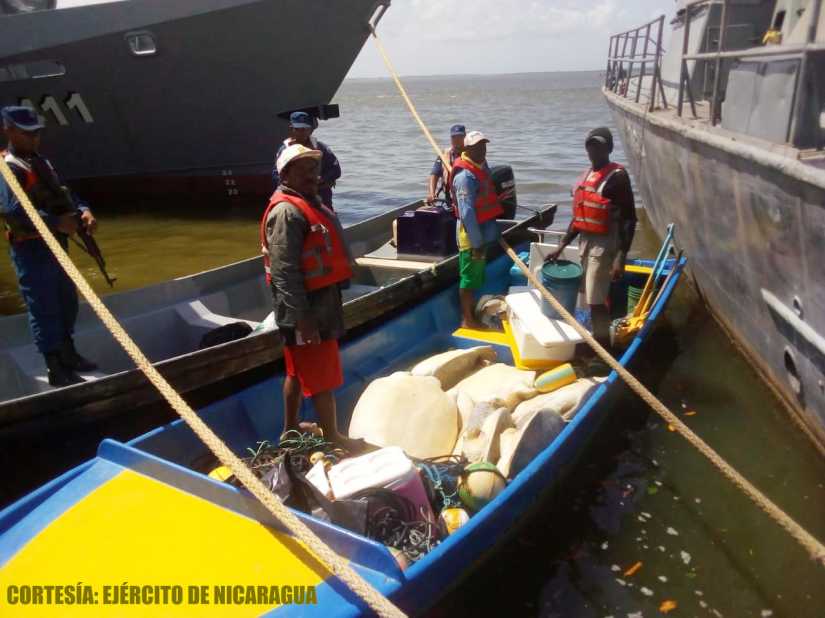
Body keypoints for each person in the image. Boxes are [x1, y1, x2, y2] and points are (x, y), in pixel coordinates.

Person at [261, 143, 362, 451]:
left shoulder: (308, 203)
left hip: (316, 305)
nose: (312, 175)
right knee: (322, 375)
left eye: (314, 169)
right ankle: (333, 437)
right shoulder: (287, 212)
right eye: (303, 170)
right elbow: (284, 271)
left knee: (295, 370)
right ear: (285, 174)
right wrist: (302, 318)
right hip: (307, 312)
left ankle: (290, 430)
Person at [0, 106, 98, 387]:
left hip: (56, 244)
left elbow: (66, 192)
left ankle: (69, 353)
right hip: (31, 249)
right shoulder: (9, 168)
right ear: (8, 131)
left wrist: (84, 210)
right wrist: (56, 223)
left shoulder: (41, 162)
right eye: (27, 134)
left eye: (37, 133)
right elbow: (12, 212)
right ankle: (55, 367)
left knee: (66, 301)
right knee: (43, 307)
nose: (34, 139)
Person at [545, 127, 637, 347]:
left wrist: (621, 257)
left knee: (595, 301)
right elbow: (579, 217)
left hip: (605, 243)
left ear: (609, 148)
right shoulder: (586, 177)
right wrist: (562, 246)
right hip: (586, 241)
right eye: (591, 145)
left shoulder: (617, 177)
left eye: (600, 145)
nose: (594, 149)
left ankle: (602, 350)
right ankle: (596, 337)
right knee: (590, 295)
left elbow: (629, 219)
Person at [451, 130, 505, 329]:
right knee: (468, 279)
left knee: (475, 276)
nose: (483, 150)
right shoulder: (465, 177)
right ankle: (467, 320)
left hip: (484, 232)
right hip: (471, 237)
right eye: (477, 147)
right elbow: (466, 214)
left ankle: (472, 313)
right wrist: (477, 244)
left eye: (484, 145)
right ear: (467, 149)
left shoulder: (481, 167)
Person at [271, 111, 341, 209]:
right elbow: (276, 175)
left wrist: (321, 179)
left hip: (321, 195)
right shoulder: (284, 150)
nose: (302, 132)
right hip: (295, 197)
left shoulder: (321, 148)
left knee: (327, 219)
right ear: (291, 129)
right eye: (298, 129)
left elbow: (336, 170)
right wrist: (296, 185)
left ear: (311, 130)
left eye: (305, 129)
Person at [426, 124, 465, 208]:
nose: (457, 140)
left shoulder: (472, 153)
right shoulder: (444, 155)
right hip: (450, 201)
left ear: (465, 138)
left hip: (467, 198)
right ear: (451, 139)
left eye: (460, 137)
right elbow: (434, 175)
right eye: (454, 137)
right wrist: (432, 193)